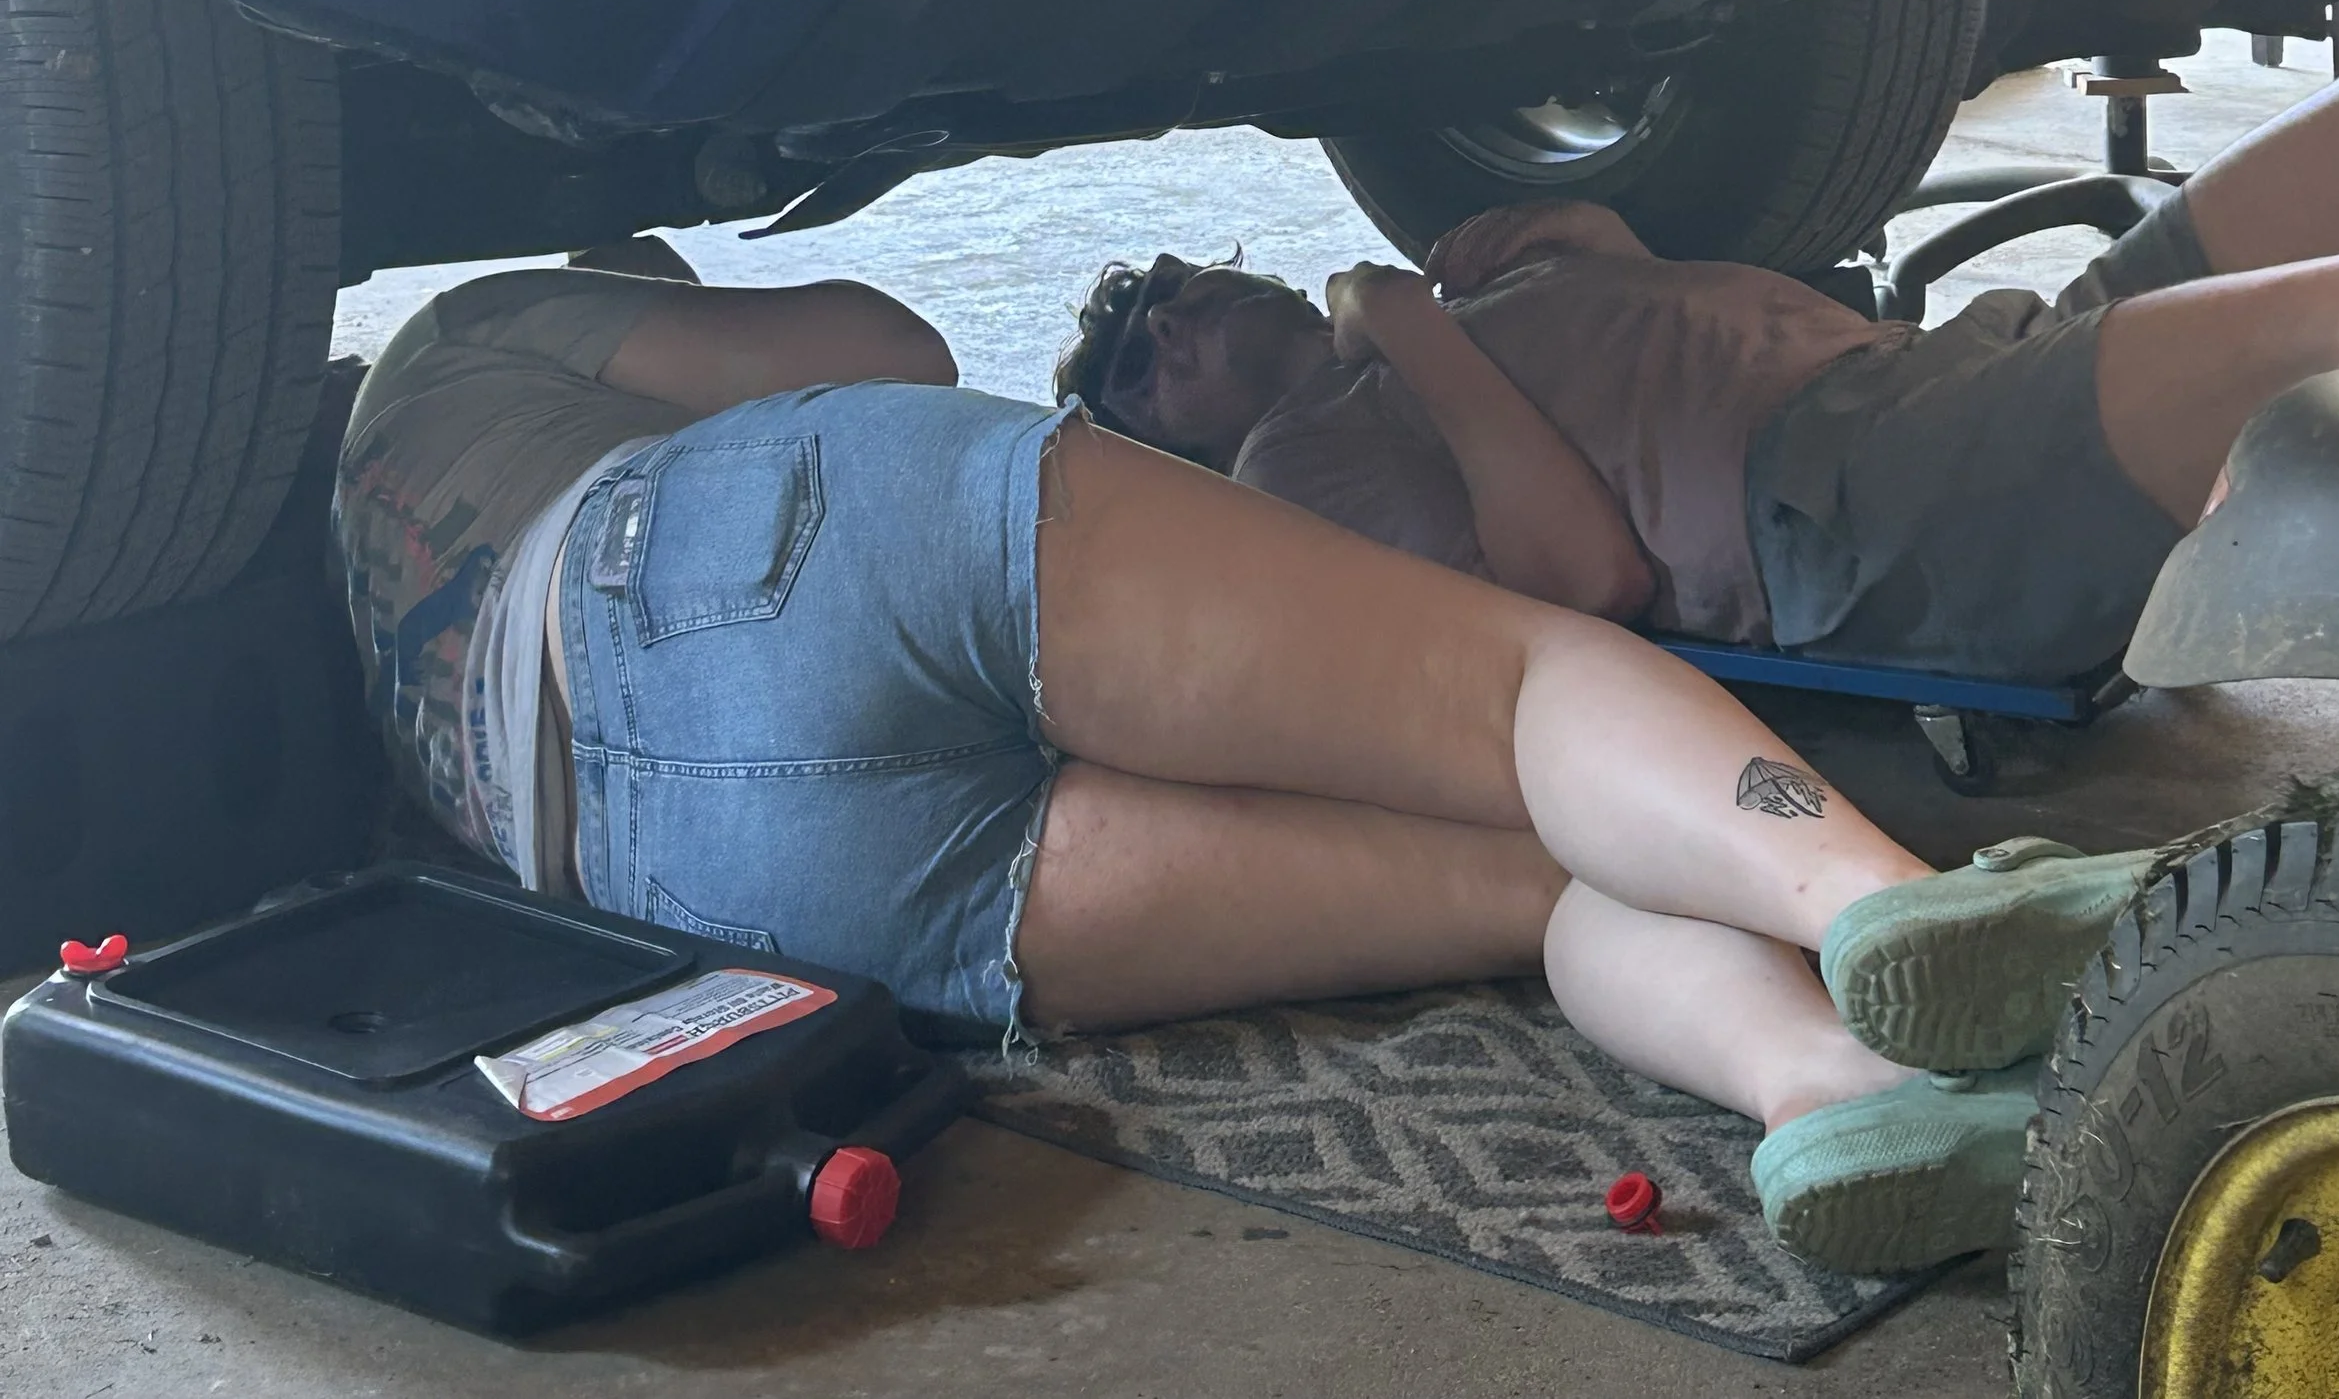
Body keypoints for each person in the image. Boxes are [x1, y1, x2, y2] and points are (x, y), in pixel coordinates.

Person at [334, 236, 2159, 1276]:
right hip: (729, 557)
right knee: (1527, 694)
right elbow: (883, 340)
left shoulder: (371, 568)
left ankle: (1831, 1091)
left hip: (696, 868)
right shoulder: (467, 328)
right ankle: (1882, 909)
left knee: (1537, 882)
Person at [1054, 28, 2339, 677]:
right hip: (1866, 518)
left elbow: (1678, 369)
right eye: (1143, 364)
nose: (1171, 319)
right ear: (1171, 457)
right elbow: (1582, 582)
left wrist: (1613, 260)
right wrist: (1405, 324)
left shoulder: (1445, 330)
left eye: (1169, 293)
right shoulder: (1290, 468)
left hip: (1952, 374)